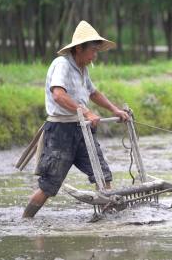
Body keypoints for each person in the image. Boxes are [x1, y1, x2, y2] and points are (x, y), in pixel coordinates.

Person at [22, 20, 129, 218]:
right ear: (79, 48)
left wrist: (115, 110)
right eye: (93, 51)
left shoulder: (83, 68)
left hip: (82, 130)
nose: (95, 55)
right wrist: (87, 112)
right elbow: (58, 95)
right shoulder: (61, 65)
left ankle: (111, 218)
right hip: (60, 132)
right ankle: (26, 220)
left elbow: (93, 93)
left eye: (97, 51)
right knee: (49, 186)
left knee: (102, 174)